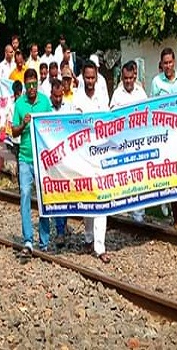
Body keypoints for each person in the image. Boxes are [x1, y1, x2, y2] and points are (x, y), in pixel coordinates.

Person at [150, 47, 177, 228]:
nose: (168, 66)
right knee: (171, 174)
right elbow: (152, 106)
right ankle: (175, 217)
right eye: (165, 63)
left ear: (174, 62)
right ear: (161, 64)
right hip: (165, 136)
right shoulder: (156, 82)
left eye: (170, 62)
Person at [11, 68, 52, 256]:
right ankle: (28, 239)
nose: (32, 87)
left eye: (34, 84)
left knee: (44, 199)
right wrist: (23, 124)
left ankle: (45, 241)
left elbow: (52, 124)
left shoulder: (45, 101)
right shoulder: (19, 104)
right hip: (25, 157)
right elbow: (14, 131)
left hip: (41, 158)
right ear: (25, 85)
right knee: (25, 195)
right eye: (29, 85)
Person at [74, 61, 111, 263]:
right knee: (88, 196)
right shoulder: (77, 98)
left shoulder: (102, 96)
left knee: (101, 198)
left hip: (101, 153)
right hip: (83, 154)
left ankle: (100, 246)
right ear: (82, 76)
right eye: (87, 77)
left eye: (93, 78)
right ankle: (88, 237)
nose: (90, 81)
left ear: (96, 77)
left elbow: (107, 121)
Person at [111, 61, 149, 221]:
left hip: (138, 143)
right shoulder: (117, 95)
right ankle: (123, 210)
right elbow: (112, 118)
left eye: (130, 78)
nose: (128, 81)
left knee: (140, 177)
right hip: (122, 145)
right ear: (122, 77)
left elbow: (148, 114)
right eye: (125, 78)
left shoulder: (141, 93)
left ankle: (139, 215)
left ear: (134, 76)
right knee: (124, 178)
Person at [47, 78, 71, 246]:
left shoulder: (68, 107)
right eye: (55, 96)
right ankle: (60, 230)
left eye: (60, 96)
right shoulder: (46, 110)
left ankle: (64, 224)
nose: (58, 99)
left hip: (66, 157)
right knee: (56, 194)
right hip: (51, 159)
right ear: (51, 95)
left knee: (67, 193)